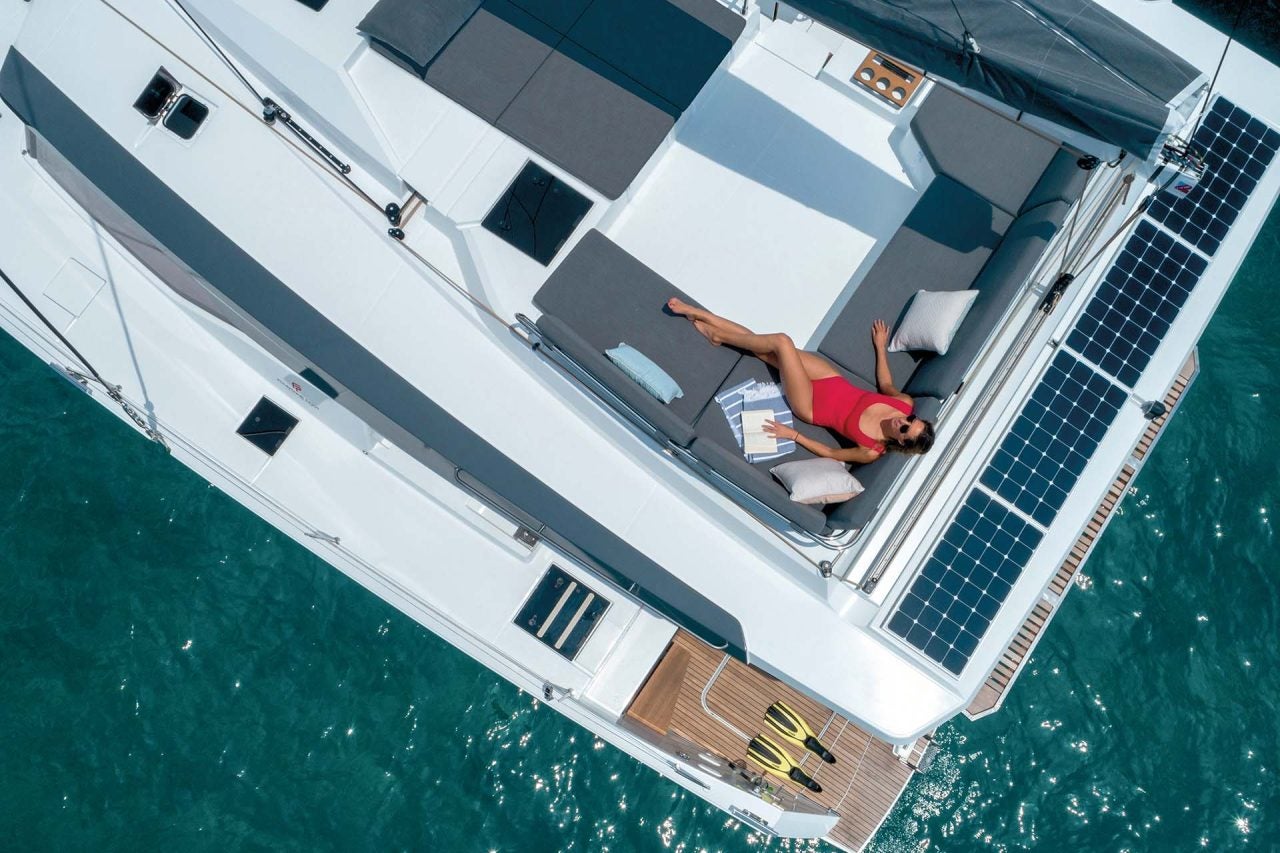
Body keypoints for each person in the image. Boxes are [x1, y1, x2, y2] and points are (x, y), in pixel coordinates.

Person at [667, 298, 934, 463]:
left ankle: (712, 323)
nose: (904, 421)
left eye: (904, 429)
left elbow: (830, 454)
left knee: (781, 342)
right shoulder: (903, 404)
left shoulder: (871, 451)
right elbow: (885, 385)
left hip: (810, 404)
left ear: (901, 442)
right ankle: (716, 334)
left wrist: (792, 434)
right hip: (830, 379)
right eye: (911, 420)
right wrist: (880, 346)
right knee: (764, 349)